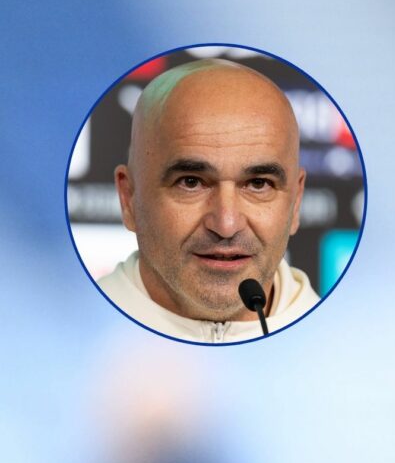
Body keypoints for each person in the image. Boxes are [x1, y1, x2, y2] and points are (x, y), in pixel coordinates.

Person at [97, 58, 318, 343]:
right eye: (191, 182)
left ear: (296, 201)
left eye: (258, 184)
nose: (226, 225)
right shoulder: (60, 338)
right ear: (128, 198)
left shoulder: (350, 352)